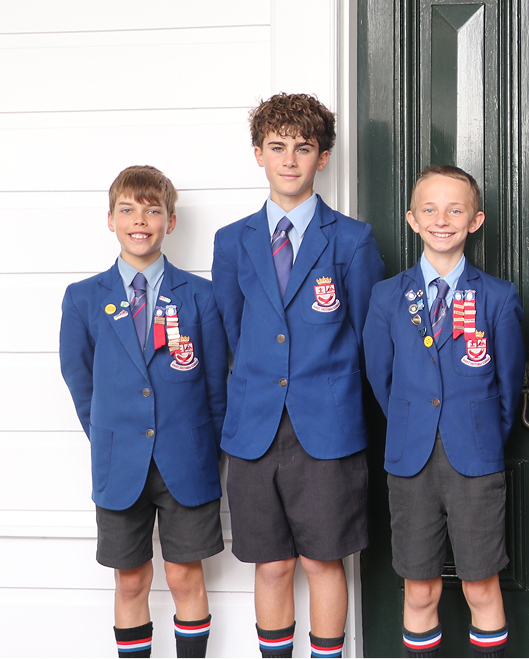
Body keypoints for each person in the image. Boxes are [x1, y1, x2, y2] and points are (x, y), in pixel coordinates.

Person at [211, 93, 385, 658]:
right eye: (278, 147)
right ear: (258, 154)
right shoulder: (232, 241)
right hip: (255, 427)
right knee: (274, 563)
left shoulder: (352, 240)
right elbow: (232, 334)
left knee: (322, 559)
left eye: (304, 148)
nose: (290, 159)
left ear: (323, 158)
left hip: (327, 428)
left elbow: (365, 337)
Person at [59, 165, 227, 658]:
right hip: (120, 464)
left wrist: (207, 447)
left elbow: (216, 383)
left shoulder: (201, 296)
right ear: (110, 219)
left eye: (153, 210)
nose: (141, 220)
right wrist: (110, 437)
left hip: (188, 461)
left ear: (170, 221)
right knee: (130, 581)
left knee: (183, 576)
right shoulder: (84, 298)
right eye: (128, 210)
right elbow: (80, 379)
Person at [364, 165, 523, 658]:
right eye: (430, 209)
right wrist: (416, 425)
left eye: (456, 209)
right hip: (410, 461)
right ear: (412, 219)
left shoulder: (498, 297)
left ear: (475, 220)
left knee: (481, 586)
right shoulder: (388, 296)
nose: (442, 219)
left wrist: (477, 435)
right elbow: (380, 377)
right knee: (420, 589)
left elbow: (508, 386)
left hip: (474, 461)